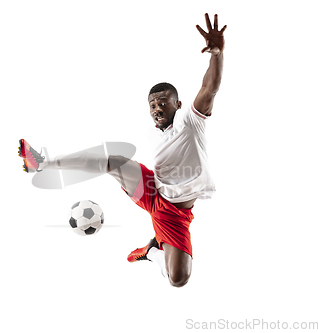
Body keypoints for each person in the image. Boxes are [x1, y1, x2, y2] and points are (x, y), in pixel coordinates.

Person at [18, 13, 226, 287]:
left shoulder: (191, 121)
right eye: (152, 105)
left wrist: (217, 55)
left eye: (163, 103)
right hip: (153, 192)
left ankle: (152, 251)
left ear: (178, 104)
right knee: (113, 162)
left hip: (175, 213)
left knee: (179, 280)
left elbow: (208, 89)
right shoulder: (151, 133)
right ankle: (42, 163)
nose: (156, 108)